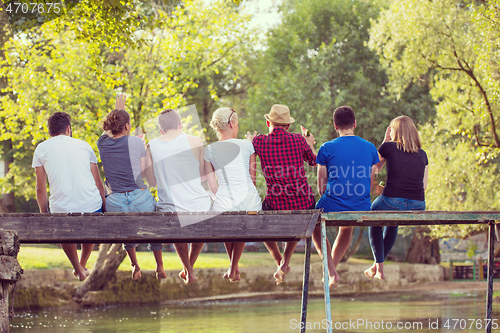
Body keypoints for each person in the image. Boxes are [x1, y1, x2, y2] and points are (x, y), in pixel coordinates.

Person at [247, 104, 316, 285]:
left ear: (268, 122)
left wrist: (250, 140)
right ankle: (283, 263)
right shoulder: (298, 140)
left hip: (276, 201)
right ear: (288, 125)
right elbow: (314, 161)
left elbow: (250, 152)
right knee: (297, 213)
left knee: (259, 225)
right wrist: (309, 142)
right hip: (303, 201)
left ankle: (280, 261)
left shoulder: (259, 142)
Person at [33, 112, 106, 281]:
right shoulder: (84, 145)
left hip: (61, 209)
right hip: (92, 206)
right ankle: (83, 263)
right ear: (68, 129)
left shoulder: (41, 148)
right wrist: (103, 205)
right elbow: (98, 183)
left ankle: (78, 268)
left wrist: (44, 213)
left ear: (49, 132)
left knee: (61, 221)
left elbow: (40, 188)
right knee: (90, 222)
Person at [97, 95, 162, 281]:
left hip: (115, 203)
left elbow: (108, 131)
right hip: (139, 199)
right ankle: (159, 265)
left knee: (125, 226)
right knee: (154, 222)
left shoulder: (101, 143)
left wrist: (118, 108)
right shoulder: (135, 142)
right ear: (127, 127)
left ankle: (135, 265)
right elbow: (143, 172)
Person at [314, 106, 379, 288]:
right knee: (346, 227)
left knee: (313, 224)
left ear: (335, 126)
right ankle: (332, 272)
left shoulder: (326, 147)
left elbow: (321, 187)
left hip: (333, 201)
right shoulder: (370, 147)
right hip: (361, 204)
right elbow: (370, 182)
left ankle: (331, 272)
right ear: (355, 123)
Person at [147, 109, 211, 285]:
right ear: (180, 125)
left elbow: (152, 181)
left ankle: (188, 270)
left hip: (170, 206)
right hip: (198, 204)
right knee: (203, 217)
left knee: (176, 224)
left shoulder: (151, 145)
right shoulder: (196, 141)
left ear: (161, 129)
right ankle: (188, 269)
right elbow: (202, 175)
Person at [364, 115, 428, 280]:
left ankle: (380, 269)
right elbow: (424, 186)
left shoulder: (388, 147)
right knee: (392, 223)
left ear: (395, 131)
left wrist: (385, 142)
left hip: (393, 200)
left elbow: (375, 169)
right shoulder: (423, 154)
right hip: (418, 205)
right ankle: (376, 267)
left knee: (373, 216)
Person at [205, 108, 262, 282]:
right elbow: (253, 179)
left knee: (226, 215)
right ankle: (233, 267)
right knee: (242, 215)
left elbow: (212, 185)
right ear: (231, 124)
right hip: (249, 202)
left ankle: (233, 266)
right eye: (237, 124)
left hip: (224, 203)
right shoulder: (247, 145)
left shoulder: (209, 149)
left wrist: (223, 198)